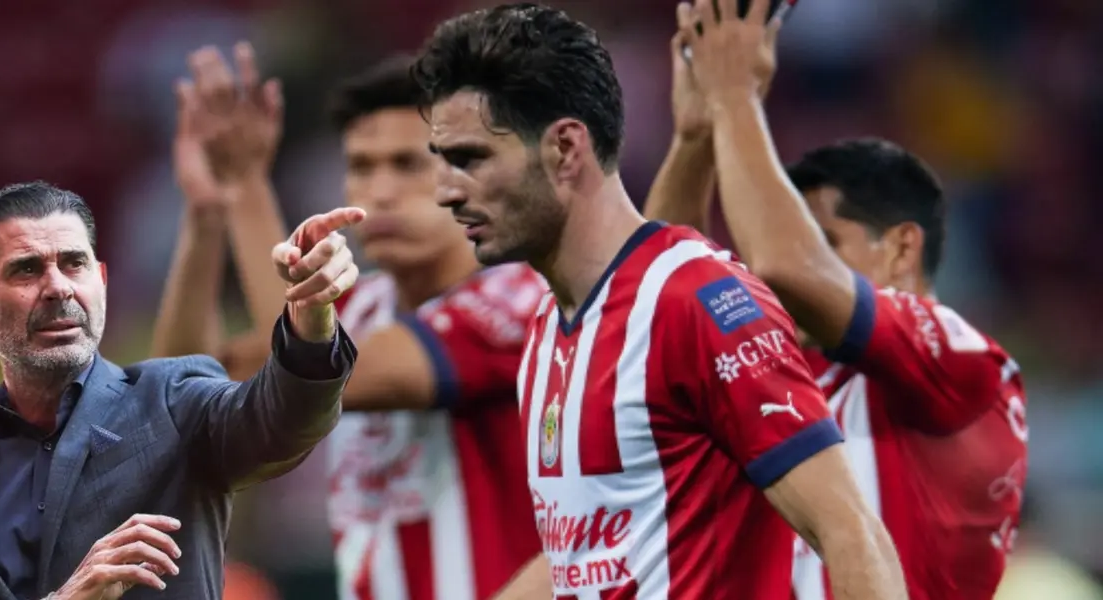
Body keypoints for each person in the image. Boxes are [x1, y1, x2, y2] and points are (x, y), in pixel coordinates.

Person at [412, 3, 907, 599]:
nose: (443, 192)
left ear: (565, 148)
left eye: (469, 158)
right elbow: (585, 556)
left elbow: (853, 534)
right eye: (441, 162)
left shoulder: (701, 300)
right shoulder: (551, 324)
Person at [644, 0, 1029, 598]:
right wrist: (696, 136)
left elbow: (783, 263)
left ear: (901, 249)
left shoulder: (964, 362)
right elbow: (656, 296)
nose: (769, 283)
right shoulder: (788, 371)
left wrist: (735, 96)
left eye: (826, 242)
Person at [151, 45, 544, 599]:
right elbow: (180, 390)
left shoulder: (517, 299)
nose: (380, 192)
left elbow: (319, 375)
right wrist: (209, 213)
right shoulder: (356, 309)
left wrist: (247, 186)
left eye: (409, 164)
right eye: (361, 166)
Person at [0, 181, 362, 600]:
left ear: (101, 280)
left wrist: (311, 317)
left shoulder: (176, 400)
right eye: (27, 270)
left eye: (74, 263)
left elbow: (282, 422)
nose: (58, 287)